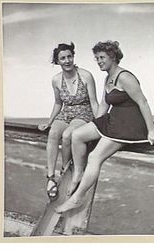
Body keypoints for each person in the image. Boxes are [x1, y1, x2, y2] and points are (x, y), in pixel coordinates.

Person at [55, 40, 154, 213]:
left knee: (95, 157)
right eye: (96, 58)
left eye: (102, 57)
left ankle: (77, 198)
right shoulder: (108, 78)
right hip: (113, 120)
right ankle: (78, 174)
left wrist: (151, 130)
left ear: (113, 57)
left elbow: (142, 102)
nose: (98, 61)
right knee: (77, 135)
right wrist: (94, 126)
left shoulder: (125, 77)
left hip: (128, 125)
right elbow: (104, 106)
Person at [38, 42, 98, 201]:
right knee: (53, 134)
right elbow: (58, 103)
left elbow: (93, 101)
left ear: (73, 57)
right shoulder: (56, 80)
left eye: (69, 56)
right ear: (57, 61)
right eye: (62, 58)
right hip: (66, 112)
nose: (67, 61)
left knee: (67, 135)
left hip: (83, 112)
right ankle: (51, 177)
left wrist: (100, 123)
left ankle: (66, 172)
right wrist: (49, 122)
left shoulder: (86, 76)